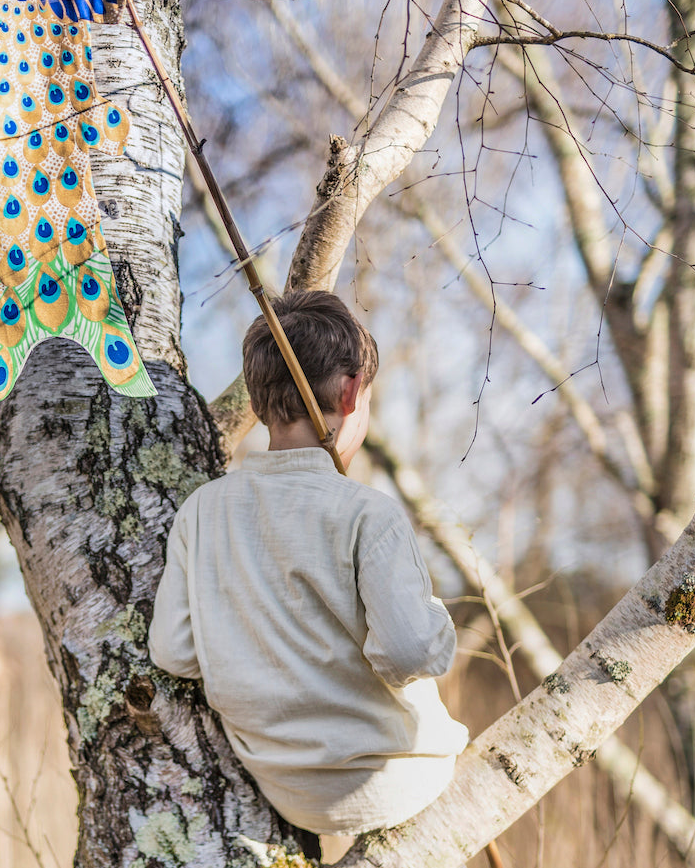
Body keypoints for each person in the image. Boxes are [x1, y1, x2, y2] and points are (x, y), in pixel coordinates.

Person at [148, 290, 468, 839]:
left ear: (257, 398)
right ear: (349, 393)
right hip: (398, 779)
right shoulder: (367, 513)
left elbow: (174, 653)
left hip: (286, 791)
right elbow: (413, 650)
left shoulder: (202, 512)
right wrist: (429, 610)